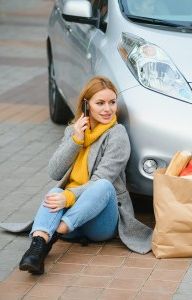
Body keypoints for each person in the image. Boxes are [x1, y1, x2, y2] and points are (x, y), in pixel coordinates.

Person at [18, 76, 152, 275]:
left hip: (99, 223)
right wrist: (75, 141)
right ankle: (37, 249)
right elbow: (54, 172)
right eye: (100, 103)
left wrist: (69, 196)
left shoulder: (117, 134)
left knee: (103, 186)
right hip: (71, 215)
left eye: (112, 102)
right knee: (55, 190)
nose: (108, 109)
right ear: (86, 104)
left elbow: (102, 179)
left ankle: (53, 233)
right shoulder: (74, 131)